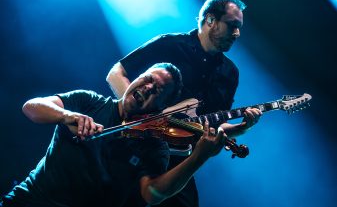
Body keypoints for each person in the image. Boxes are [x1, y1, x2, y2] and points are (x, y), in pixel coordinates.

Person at [106, 0, 262, 207]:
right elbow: (116, 73)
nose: (237, 33)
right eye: (232, 25)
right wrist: (139, 115)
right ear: (210, 21)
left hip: (178, 157)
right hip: (137, 144)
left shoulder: (229, 73)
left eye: (239, 27)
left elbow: (213, 124)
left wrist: (242, 127)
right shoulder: (169, 44)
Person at [1, 63, 229, 207]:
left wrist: (199, 157)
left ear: (162, 105)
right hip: (30, 199)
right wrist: (66, 115)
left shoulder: (153, 144)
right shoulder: (88, 102)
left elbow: (151, 194)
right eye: (148, 79)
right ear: (137, 77)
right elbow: (32, 106)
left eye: (158, 90)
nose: (148, 88)